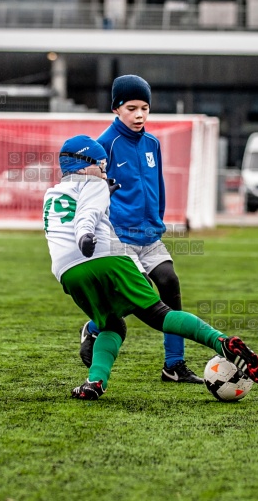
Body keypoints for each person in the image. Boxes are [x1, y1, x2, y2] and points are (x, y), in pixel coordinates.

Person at [43, 134, 258, 400]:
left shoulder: (51, 194)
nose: (104, 170)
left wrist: (103, 195)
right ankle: (222, 342)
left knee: (114, 326)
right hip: (106, 257)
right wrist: (85, 235)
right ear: (83, 166)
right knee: (161, 314)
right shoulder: (95, 184)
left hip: (69, 273)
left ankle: (95, 382)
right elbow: (86, 215)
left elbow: (73, 212)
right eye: (101, 165)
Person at [78, 74, 203, 384]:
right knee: (142, 294)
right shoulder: (104, 145)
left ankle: (174, 365)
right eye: (131, 108)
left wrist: (156, 220)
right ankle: (95, 327)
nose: (139, 115)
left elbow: (156, 186)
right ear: (116, 109)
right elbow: (92, 193)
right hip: (119, 236)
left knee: (169, 282)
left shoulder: (152, 143)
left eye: (145, 108)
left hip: (149, 235)